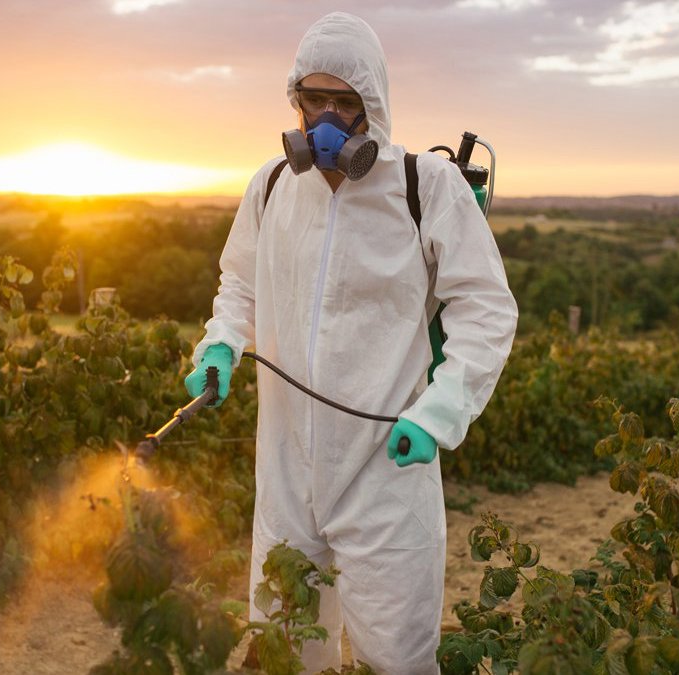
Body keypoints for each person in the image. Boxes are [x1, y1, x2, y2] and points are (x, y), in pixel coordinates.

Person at [184, 12, 517, 674]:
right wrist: (220, 345)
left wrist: (438, 414)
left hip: (386, 473)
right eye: (314, 99)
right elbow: (239, 287)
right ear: (295, 103)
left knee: (395, 657)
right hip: (284, 472)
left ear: (375, 105)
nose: (328, 118)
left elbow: (485, 309)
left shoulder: (426, 188)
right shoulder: (272, 187)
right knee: (284, 649)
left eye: (346, 101)